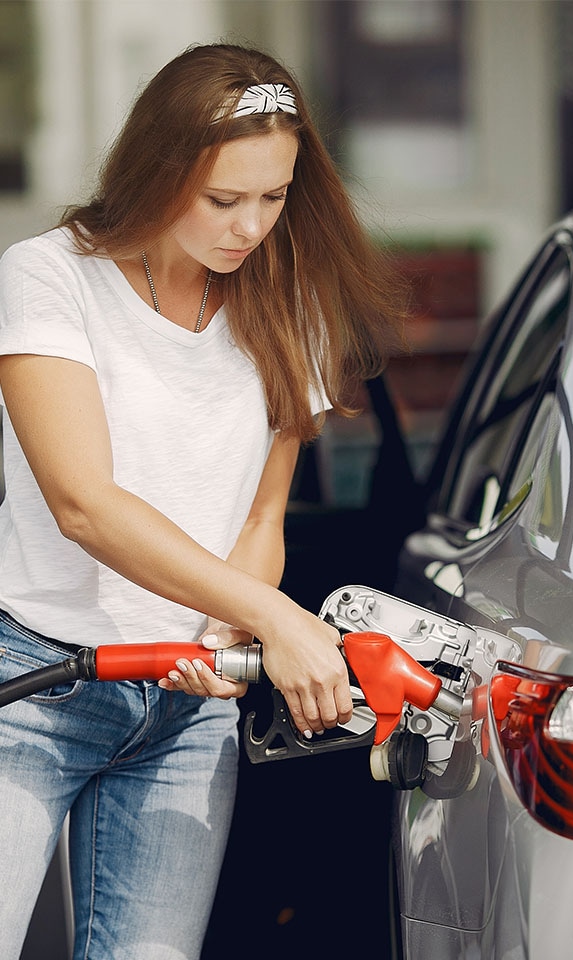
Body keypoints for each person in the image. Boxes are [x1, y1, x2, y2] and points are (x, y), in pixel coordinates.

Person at [0, 43, 404, 960]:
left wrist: (227, 635)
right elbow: (83, 502)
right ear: (158, 170)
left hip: (189, 713)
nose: (250, 226)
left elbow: (260, 518)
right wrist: (275, 617)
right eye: (223, 199)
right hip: (36, 683)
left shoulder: (291, 299)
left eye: (275, 196)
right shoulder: (50, 276)